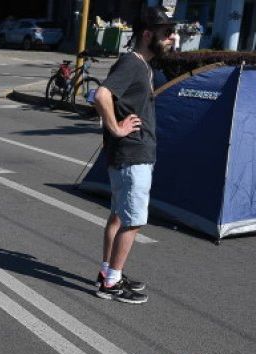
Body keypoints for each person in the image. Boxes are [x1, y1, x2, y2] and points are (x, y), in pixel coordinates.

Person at [91, 7, 176, 305]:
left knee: (118, 215)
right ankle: (111, 283)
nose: (172, 38)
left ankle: (108, 272)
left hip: (128, 154)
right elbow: (101, 95)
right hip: (132, 155)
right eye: (167, 33)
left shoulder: (142, 65)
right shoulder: (132, 63)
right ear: (148, 34)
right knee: (134, 221)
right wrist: (117, 129)